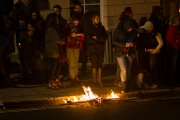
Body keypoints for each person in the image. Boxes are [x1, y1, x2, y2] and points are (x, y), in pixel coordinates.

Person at [113, 19, 138, 92]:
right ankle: (124, 85)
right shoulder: (119, 31)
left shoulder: (133, 32)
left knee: (128, 69)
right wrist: (124, 45)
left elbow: (136, 40)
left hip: (129, 52)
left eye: (131, 28)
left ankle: (127, 83)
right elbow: (114, 41)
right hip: (120, 52)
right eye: (129, 28)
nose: (130, 30)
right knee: (124, 69)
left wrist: (133, 44)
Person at [63, 13, 85, 87]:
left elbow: (83, 36)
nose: (76, 22)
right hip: (70, 46)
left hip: (77, 46)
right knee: (71, 63)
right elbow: (64, 36)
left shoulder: (80, 27)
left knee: (76, 62)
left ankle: (75, 76)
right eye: (75, 21)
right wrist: (70, 36)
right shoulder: (68, 26)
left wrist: (79, 37)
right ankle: (72, 77)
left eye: (77, 21)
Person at [86, 13, 108, 87]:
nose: (98, 20)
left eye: (98, 18)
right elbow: (89, 39)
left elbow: (105, 37)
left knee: (100, 64)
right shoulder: (89, 28)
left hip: (100, 49)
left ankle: (99, 80)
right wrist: (99, 39)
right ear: (93, 19)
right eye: (97, 19)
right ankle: (94, 80)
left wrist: (97, 38)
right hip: (93, 49)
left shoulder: (101, 27)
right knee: (94, 64)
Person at [45, 13, 65, 89]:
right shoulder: (51, 29)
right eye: (56, 19)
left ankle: (56, 80)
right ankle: (50, 82)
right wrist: (67, 40)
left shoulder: (54, 28)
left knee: (57, 66)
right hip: (53, 50)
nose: (57, 20)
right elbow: (58, 39)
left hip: (56, 50)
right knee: (53, 67)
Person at [143, 21, 163, 89]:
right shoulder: (148, 33)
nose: (147, 31)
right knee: (148, 67)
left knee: (152, 67)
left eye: (148, 30)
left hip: (153, 52)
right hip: (148, 51)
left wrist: (155, 50)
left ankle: (155, 82)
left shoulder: (156, 34)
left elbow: (161, 43)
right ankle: (151, 81)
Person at [29, 8, 46, 84]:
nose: (34, 17)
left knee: (40, 62)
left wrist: (34, 31)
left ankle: (42, 78)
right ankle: (37, 77)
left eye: (35, 15)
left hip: (39, 44)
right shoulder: (31, 22)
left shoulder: (41, 22)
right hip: (33, 44)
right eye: (32, 15)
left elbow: (42, 34)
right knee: (35, 61)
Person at [18, 13, 36, 82]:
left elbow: (30, 39)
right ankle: (27, 75)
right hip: (22, 47)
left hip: (27, 47)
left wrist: (25, 43)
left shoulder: (27, 28)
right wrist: (19, 45)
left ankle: (30, 75)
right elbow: (19, 39)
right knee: (24, 62)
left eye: (22, 20)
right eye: (20, 20)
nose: (21, 22)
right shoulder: (19, 28)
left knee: (28, 61)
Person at [53, 5, 69, 81]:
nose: (55, 12)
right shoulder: (52, 21)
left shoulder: (63, 21)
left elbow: (65, 32)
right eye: (54, 11)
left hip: (61, 42)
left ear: (60, 12)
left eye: (57, 11)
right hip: (55, 43)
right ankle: (57, 74)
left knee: (62, 59)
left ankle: (64, 73)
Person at [73, 2, 88, 75]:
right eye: (76, 8)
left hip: (82, 38)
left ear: (81, 9)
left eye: (79, 8)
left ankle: (83, 70)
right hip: (75, 38)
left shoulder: (83, 17)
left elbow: (84, 27)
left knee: (83, 55)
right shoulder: (73, 16)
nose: (77, 10)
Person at [166, 16, 180, 86]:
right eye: (178, 20)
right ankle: (171, 80)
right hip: (173, 49)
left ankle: (172, 79)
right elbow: (169, 39)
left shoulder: (173, 28)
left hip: (173, 48)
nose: (179, 22)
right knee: (172, 64)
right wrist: (176, 46)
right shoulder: (172, 28)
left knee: (173, 64)